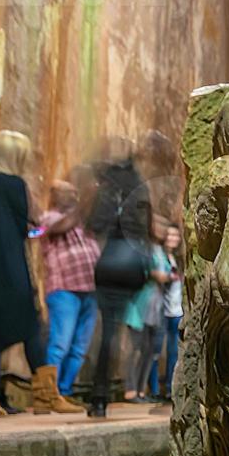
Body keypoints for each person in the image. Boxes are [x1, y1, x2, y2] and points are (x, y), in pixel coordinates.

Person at [0, 130, 79, 417]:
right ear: (15, 157)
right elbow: (31, 221)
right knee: (32, 326)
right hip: (7, 269)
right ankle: (47, 397)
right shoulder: (13, 184)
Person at [85, 139, 152, 419]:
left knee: (108, 333)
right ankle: (107, 392)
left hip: (111, 263)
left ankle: (99, 396)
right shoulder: (141, 189)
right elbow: (146, 231)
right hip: (133, 268)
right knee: (121, 333)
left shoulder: (108, 190)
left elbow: (94, 225)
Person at [39, 180, 98, 407]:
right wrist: (87, 199)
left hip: (90, 289)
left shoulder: (81, 220)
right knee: (60, 344)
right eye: (69, 193)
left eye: (75, 193)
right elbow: (62, 226)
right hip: (64, 289)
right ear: (54, 195)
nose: (74, 196)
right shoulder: (49, 219)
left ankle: (63, 391)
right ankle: (48, 395)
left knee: (80, 348)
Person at [125, 217, 172, 403]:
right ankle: (130, 389)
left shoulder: (162, 250)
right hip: (139, 305)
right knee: (136, 348)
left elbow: (167, 273)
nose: (163, 230)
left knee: (150, 350)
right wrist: (155, 274)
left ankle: (140, 390)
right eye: (160, 226)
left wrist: (167, 276)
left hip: (157, 306)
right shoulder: (142, 247)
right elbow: (137, 270)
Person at [148, 223, 184, 401]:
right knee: (155, 350)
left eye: (176, 236)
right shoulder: (158, 255)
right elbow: (153, 274)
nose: (173, 239)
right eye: (170, 235)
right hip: (161, 308)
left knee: (173, 353)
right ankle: (153, 390)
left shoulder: (179, 258)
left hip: (177, 311)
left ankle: (170, 389)